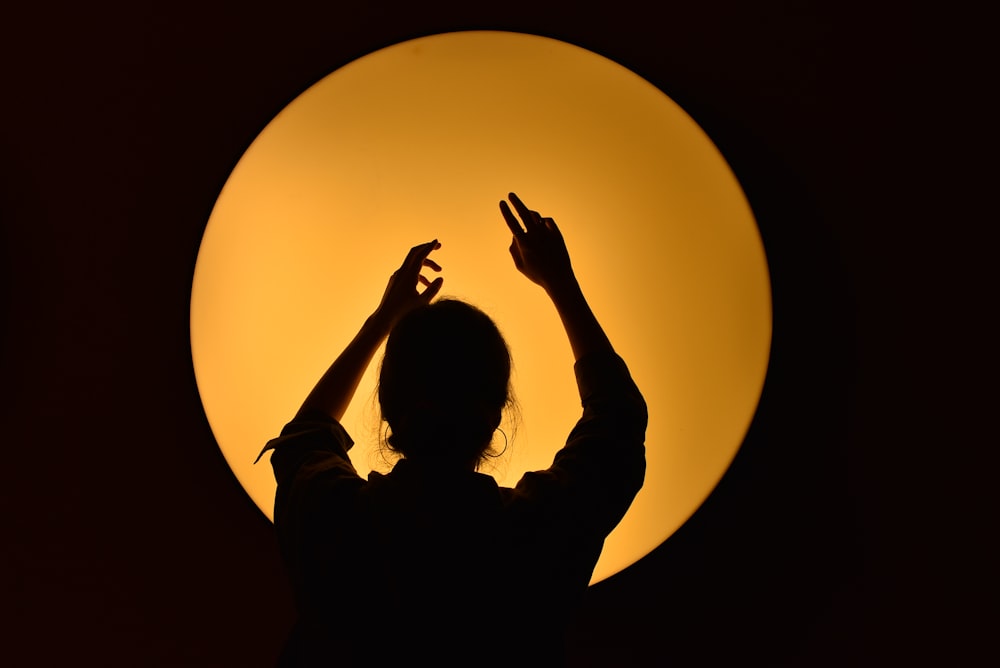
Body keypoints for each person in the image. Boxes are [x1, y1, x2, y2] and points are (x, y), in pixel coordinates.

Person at [260, 193, 647, 666]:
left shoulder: (333, 517)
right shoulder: (538, 532)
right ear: (496, 414)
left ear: (386, 408)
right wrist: (560, 283)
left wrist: (381, 320)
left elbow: (304, 437)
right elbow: (617, 421)